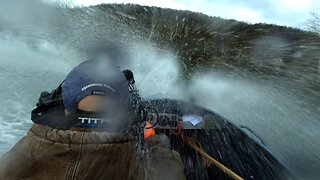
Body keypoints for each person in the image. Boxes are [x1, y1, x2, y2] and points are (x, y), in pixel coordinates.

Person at [0, 59, 186, 180]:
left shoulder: (32, 147)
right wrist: (151, 138)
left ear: (63, 106)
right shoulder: (132, 161)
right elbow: (171, 173)